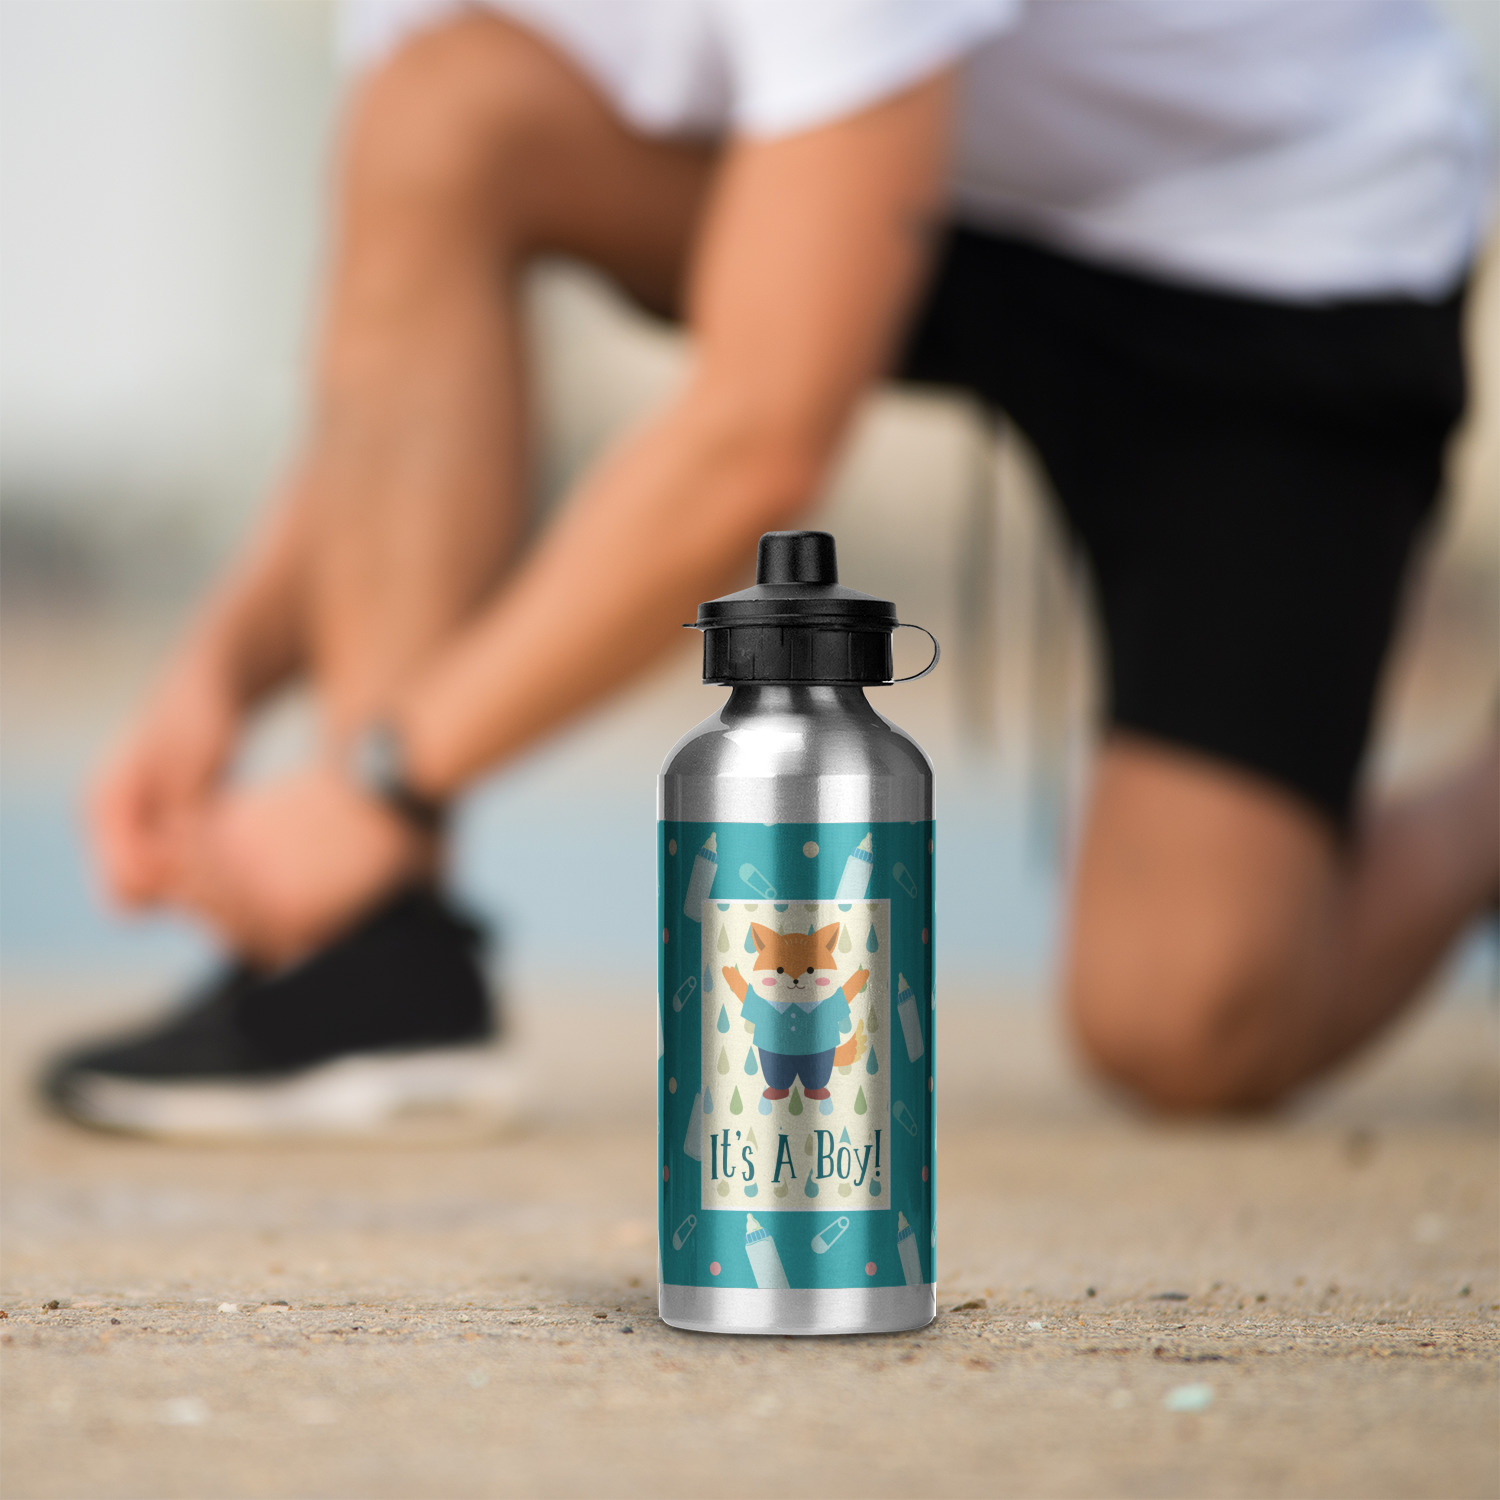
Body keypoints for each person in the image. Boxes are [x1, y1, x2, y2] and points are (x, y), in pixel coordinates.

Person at [46, 0, 1498, 1132]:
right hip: (912, 181)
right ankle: (374, 952)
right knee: (442, 113)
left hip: (1265, 243)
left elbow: (759, 439)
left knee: (1188, 1028)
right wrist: (219, 668)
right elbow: (399, 369)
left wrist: (388, 781)